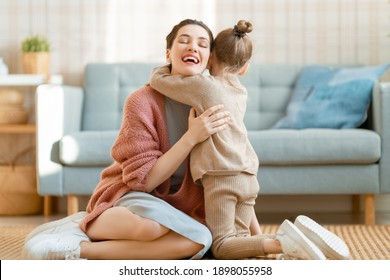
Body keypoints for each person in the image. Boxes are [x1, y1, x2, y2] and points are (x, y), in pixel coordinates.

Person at [22, 19, 349, 260]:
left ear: (210, 60)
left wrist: (257, 237)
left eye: (203, 44)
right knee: (151, 229)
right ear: (168, 52)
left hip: (176, 212)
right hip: (132, 197)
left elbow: (232, 171)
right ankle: (85, 231)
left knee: (199, 242)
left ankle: (84, 251)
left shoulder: (213, 99)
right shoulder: (142, 100)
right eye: (184, 40)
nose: (193, 46)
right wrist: (192, 137)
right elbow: (143, 181)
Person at [149, 20, 350, 260]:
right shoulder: (240, 91)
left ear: (210, 58)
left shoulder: (204, 87)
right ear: (245, 69)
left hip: (222, 176)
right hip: (248, 174)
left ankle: (282, 243)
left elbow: (160, 81)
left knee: (222, 246)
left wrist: (161, 67)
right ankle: (301, 244)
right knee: (241, 239)